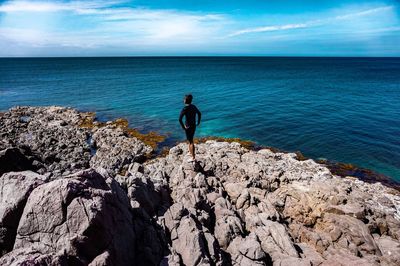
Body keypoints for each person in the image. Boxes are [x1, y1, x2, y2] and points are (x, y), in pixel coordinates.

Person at [179, 94, 201, 162]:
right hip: (193, 125)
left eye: (184, 99)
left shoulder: (185, 108)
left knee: (191, 141)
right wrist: (198, 122)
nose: (183, 100)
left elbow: (180, 119)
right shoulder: (193, 106)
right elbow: (199, 113)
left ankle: (193, 157)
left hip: (188, 127)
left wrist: (183, 127)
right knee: (189, 140)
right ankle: (190, 152)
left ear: (185, 100)